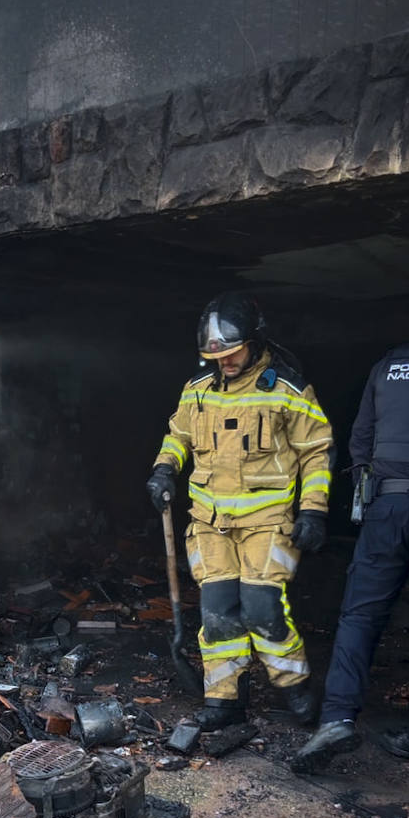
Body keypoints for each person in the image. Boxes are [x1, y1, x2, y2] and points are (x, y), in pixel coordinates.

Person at [292, 283, 409, 774]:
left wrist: (378, 491)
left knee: (360, 616)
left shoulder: (392, 362)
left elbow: (361, 441)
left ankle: (337, 718)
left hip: (387, 503)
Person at [146, 292, 334, 731]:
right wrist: (163, 470)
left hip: (267, 523)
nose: (225, 362)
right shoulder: (198, 390)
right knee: (217, 613)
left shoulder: (286, 389)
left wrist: (314, 511)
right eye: (218, 356)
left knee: (262, 609)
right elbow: (178, 436)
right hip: (209, 523)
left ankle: (295, 688)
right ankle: (225, 697)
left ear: (255, 341)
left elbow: (317, 453)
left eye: (233, 354)